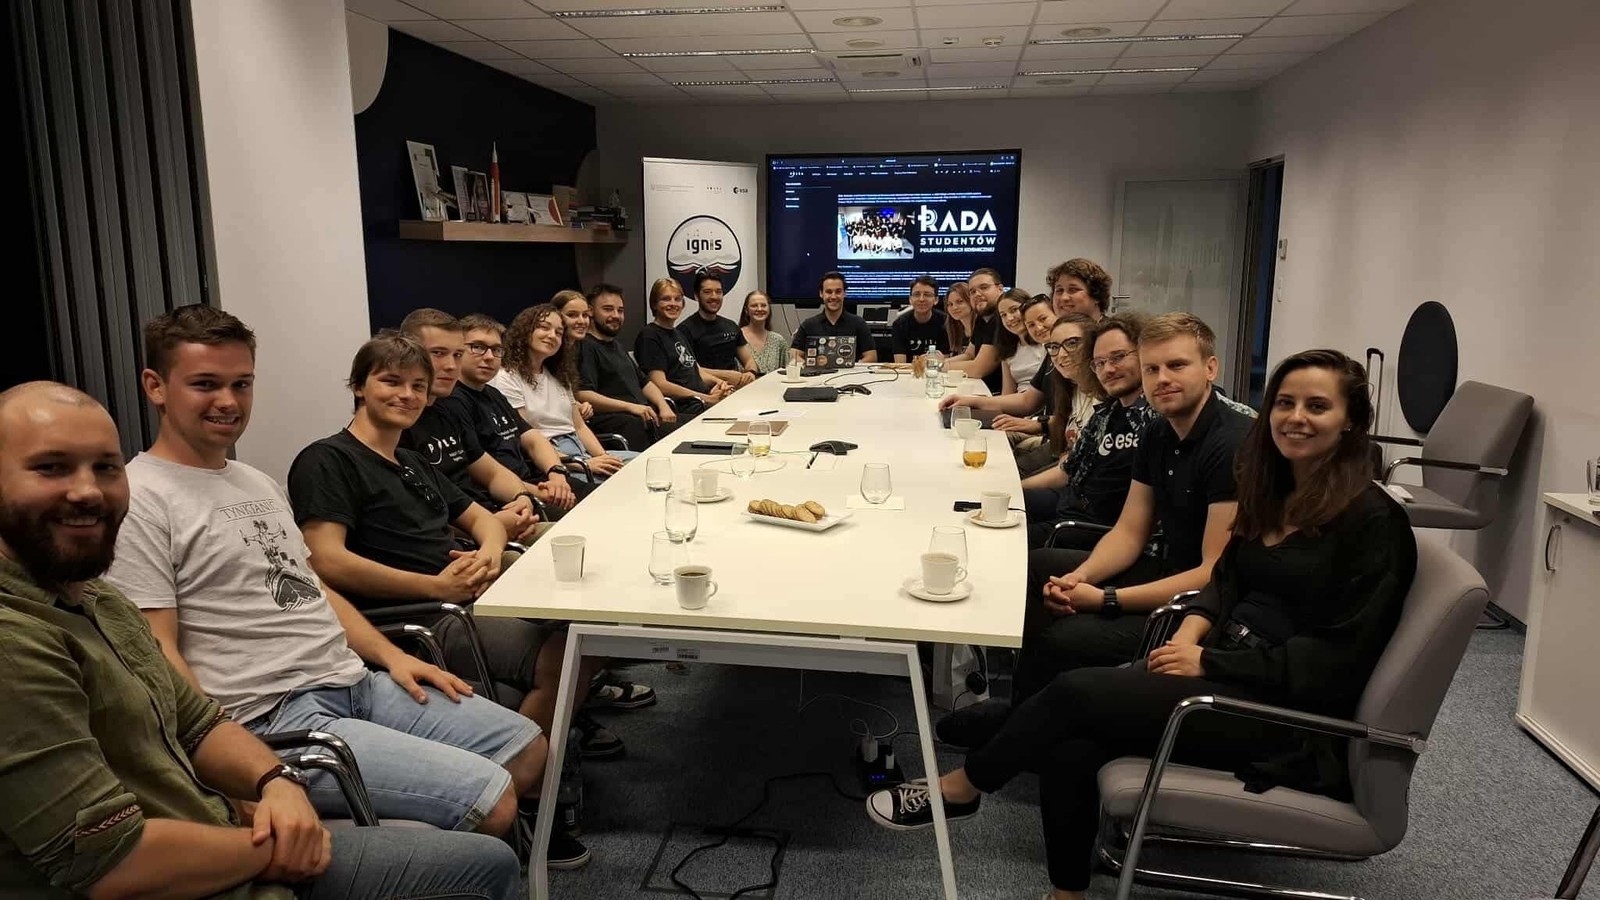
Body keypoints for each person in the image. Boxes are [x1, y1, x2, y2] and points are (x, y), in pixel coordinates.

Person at [867, 350, 1418, 900]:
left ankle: (962, 787)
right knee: (1072, 745)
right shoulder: (1275, 492)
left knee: (1074, 691)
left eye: (1317, 406)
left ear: (1351, 420)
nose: (1296, 417)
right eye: (1285, 403)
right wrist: (1192, 630)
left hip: (1283, 714)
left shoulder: (1372, 522)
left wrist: (1207, 660)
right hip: (1224, 667)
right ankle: (1067, 894)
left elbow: (1335, 662)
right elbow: (1224, 581)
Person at [99, 306, 584, 867]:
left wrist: (391, 658)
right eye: (205, 384)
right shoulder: (141, 498)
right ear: (155, 387)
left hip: (353, 680)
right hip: (275, 715)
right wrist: (230, 768)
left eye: (241, 384)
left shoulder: (252, 481)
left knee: (529, 749)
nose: (228, 401)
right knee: (492, 800)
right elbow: (157, 654)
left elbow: (313, 586)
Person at [0, 380, 524, 899]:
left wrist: (275, 779)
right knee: (484, 846)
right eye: (50, 467)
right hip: (247, 790)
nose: (88, 490)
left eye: (104, 468)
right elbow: (107, 862)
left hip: (306, 726)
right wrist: (274, 843)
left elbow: (198, 721)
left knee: (518, 768)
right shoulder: (17, 639)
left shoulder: (100, 599)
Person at [286, 333, 626, 763]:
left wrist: (487, 555)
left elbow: (483, 520)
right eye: (391, 382)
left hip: (466, 594)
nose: (407, 395)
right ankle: (528, 777)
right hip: (419, 616)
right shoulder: (327, 460)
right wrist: (436, 587)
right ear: (358, 386)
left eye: (418, 386)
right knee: (571, 653)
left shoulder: (411, 462)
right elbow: (326, 560)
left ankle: (538, 753)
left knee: (588, 612)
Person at [939, 312, 1256, 748]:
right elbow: (1129, 532)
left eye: (1177, 365)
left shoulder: (1231, 443)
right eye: (1152, 369)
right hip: (1162, 565)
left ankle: (1031, 732)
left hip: (1202, 604)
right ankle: (1023, 711)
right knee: (1041, 571)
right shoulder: (1159, 431)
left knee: (1061, 638)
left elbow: (1212, 573)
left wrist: (1106, 598)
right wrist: (1080, 577)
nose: (1162, 378)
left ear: (1211, 368)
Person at [397, 309, 581, 531]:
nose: (451, 365)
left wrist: (526, 493)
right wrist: (493, 524)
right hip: (469, 530)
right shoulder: (414, 420)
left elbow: (493, 470)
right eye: (438, 353)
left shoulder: (451, 407)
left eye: (456, 354)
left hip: (494, 513)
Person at [1020, 314, 1157, 547]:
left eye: (1118, 357)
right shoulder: (1106, 412)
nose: (1108, 369)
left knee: (1003, 541)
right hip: (1072, 504)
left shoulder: (1154, 418)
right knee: (993, 505)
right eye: (1100, 362)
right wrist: (1013, 488)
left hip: (1089, 525)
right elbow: (1070, 469)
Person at [943, 313, 1100, 477]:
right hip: (1056, 441)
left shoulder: (1101, 395)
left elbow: (1071, 472)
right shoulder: (1068, 383)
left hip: (1065, 460)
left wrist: (1016, 486)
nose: (1061, 354)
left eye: (1072, 343)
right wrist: (975, 401)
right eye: (1030, 323)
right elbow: (1025, 399)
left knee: (995, 468)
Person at [490, 306, 637, 477]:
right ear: (525, 331)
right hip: (552, 460)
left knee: (644, 464)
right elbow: (526, 439)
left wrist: (603, 457)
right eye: (544, 327)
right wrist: (583, 464)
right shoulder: (507, 377)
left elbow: (579, 426)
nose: (552, 335)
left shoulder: (559, 375)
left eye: (559, 332)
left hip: (580, 450)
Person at [577, 283, 678, 450]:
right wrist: (630, 407)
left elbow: (645, 383)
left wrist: (663, 406)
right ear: (591, 311)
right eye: (608, 309)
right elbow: (583, 393)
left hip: (646, 416)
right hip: (622, 424)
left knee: (696, 426)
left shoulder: (616, 345)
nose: (616, 315)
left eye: (620, 310)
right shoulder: (585, 347)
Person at [635, 277, 731, 416]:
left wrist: (720, 383)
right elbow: (659, 384)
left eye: (678, 299)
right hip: (683, 409)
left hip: (701, 401)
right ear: (654, 304)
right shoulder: (649, 336)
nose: (673, 304)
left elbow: (696, 371)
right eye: (666, 299)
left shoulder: (678, 334)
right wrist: (705, 398)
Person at [677, 272, 757, 386]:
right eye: (707, 292)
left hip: (734, 390)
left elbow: (749, 360)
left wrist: (750, 372)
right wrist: (725, 375)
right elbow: (689, 369)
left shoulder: (731, 326)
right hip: (704, 392)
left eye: (718, 292)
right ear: (696, 296)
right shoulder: (684, 331)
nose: (714, 296)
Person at [788, 271, 879, 364]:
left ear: (844, 293)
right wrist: (809, 367)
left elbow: (871, 356)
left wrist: (852, 368)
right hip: (817, 373)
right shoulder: (808, 325)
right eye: (829, 292)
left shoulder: (859, 324)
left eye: (838, 291)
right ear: (821, 293)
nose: (833, 296)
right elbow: (794, 354)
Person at [944, 268, 1004, 392]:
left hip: (995, 392)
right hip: (981, 388)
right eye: (972, 291)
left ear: (1000, 289)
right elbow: (969, 355)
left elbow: (978, 369)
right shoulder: (982, 318)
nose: (977, 294)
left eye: (984, 287)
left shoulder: (1000, 319)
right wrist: (936, 364)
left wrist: (938, 367)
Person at [994, 290, 1048, 392]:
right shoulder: (1008, 351)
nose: (1009, 318)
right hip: (1017, 400)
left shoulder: (1045, 344)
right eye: (1003, 315)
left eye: (1014, 310)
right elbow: (1007, 393)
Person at [891, 276, 949, 363]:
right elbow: (900, 364)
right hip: (909, 370)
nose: (921, 299)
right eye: (917, 294)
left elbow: (944, 361)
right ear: (910, 299)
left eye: (927, 294)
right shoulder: (899, 324)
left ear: (936, 300)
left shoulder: (946, 322)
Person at [739, 290, 790, 374]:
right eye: (754, 306)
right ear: (746, 310)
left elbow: (787, 372)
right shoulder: (736, 337)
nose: (759, 309)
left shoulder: (778, 341)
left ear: (769, 309)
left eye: (763, 305)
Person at [1047, 258, 1112, 321]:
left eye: (1073, 290)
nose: (1064, 298)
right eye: (1059, 290)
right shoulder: (1053, 328)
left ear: (1096, 296)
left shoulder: (1112, 328)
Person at [942, 281, 976, 360]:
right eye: (950, 304)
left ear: (971, 301)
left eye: (960, 302)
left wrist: (940, 363)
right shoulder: (953, 329)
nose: (954, 308)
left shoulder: (982, 327)